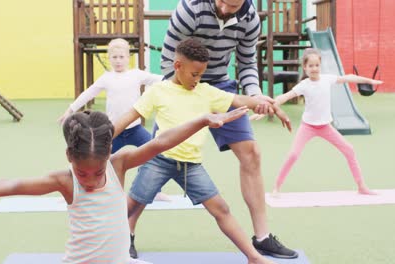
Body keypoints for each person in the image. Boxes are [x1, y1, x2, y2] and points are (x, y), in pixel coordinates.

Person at [0, 109, 248, 264]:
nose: (88, 179)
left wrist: (202, 121)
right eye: (81, 173)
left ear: (108, 155)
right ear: (68, 158)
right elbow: (10, 185)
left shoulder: (118, 165)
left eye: (95, 171)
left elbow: (161, 142)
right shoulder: (63, 180)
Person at [115, 39, 291, 263]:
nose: (197, 80)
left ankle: (253, 257)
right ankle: (104, 247)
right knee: (128, 208)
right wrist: (101, 140)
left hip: (191, 166)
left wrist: (272, 106)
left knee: (221, 209)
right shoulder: (158, 91)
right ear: (178, 66)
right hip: (158, 161)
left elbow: (238, 99)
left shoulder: (206, 92)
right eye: (194, 74)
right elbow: (129, 116)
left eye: (201, 75)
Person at [160, 0, 298, 258]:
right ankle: (128, 234)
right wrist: (181, 96)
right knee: (155, 158)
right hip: (180, 85)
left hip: (221, 87)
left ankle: (263, 237)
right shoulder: (189, 10)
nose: (224, 9)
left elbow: (246, 64)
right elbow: (169, 60)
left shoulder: (250, 19)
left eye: (232, 6)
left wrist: (255, 95)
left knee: (251, 154)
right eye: (222, 2)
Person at [58, 38, 170, 201]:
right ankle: (76, 189)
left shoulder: (136, 74)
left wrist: (180, 77)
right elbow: (89, 93)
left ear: (128, 57)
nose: (118, 61)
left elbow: (159, 80)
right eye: (114, 57)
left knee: (153, 153)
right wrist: (70, 109)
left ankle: (154, 190)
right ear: (109, 58)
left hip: (135, 130)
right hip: (113, 131)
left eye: (121, 57)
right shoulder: (106, 78)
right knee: (95, 157)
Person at [272, 48, 381, 195]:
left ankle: (361, 187)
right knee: (293, 155)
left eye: (317, 65)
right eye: (310, 66)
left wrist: (369, 81)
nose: (314, 68)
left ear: (320, 66)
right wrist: (273, 104)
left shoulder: (327, 79)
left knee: (349, 150)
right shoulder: (304, 85)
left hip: (325, 127)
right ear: (305, 67)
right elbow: (285, 96)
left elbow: (348, 77)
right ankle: (277, 187)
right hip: (308, 127)